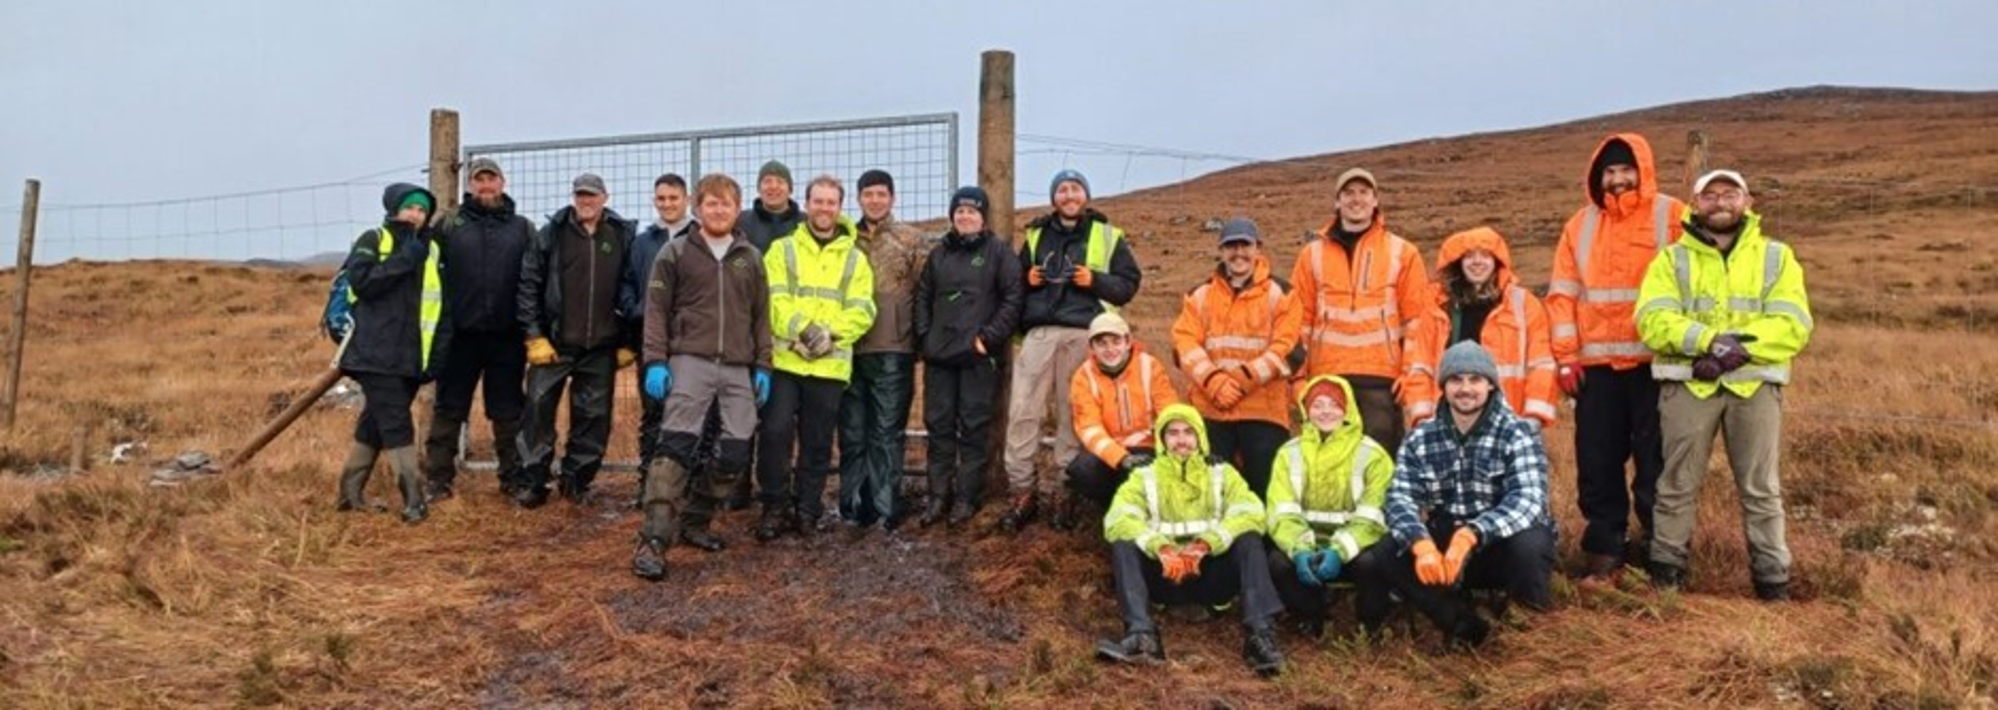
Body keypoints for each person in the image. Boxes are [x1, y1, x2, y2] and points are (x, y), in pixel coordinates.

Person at [1637, 169, 1813, 601]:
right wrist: (1707, 342)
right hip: (1688, 387)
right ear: (1695, 204)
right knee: (1676, 485)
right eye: (1710, 195)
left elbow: (1793, 324)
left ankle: (1773, 582)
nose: (1720, 202)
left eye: (1730, 194)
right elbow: (1652, 320)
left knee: (1761, 489)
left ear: (1747, 202)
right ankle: (1667, 577)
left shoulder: (1777, 257)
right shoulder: (1671, 260)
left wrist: (1736, 351)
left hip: (1754, 389)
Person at [1545, 133, 1687, 578]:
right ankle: (1605, 550)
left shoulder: (1673, 215)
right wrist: (1566, 358)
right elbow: (1562, 295)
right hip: (1596, 370)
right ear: (1597, 175)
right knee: (1597, 462)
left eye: (1626, 169)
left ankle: (1662, 552)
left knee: (1657, 463)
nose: (1618, 178)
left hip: (1655, 365)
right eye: (1610, 170)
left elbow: (1693, 281)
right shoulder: (1579, 225)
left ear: (1643, 171)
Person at [631, 174, 773, 580]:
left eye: (726, 203)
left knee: (736, 449)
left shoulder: (751, 258)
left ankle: (695, 519)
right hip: (689, 359)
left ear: (737, 208)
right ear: (698, 207)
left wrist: (764, 366)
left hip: (737, 365)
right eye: (711, 203)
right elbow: (656, 311)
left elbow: (762, 317)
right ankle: (654, 539)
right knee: (675, 446)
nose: (719, 210)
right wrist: (655, 360)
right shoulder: (675, 253)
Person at [1383, 341, 1557, 648]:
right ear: (1443, 386)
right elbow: (1399, 497)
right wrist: (1420, 543)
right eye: (1456, 380)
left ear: (1490, 385)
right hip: (1446, 540)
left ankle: (1529, 634)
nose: (1465, 389)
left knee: (1531, 543)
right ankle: (1461, 624)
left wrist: (1472, 534)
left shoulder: (1518, 432)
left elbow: (1529, 501)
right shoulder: (1420, 437)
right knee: (1385, 550)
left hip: (1497, 544)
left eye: (1475, 379)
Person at [1096, 404, 1285, 677]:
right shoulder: (1143, 476)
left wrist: (1204, 545)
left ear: (1200, 437)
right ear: (1161, 439)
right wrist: (1161, 548)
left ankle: (1260, 637)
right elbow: (1118, 518)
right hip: (1165, 576)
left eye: (1188, 432)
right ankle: (1142, 636)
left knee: (1248, 539)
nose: (1181, 439)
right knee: (1124, 541)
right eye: (1172, 433)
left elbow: (1251, 512)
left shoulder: (1222, 472)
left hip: (1211, 576)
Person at [1001, 169, 1142, 533]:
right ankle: (1022, 490)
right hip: (1040, 332)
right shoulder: (1036, 235)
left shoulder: (1108, 236)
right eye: (1062, 190)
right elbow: (1012, 285)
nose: (1068, 195)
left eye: (1075, 188)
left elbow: (1128, 285)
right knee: (1022, 410)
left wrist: (1094, 280)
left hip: (1084, 332)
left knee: (1073, 414)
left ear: (1086, 195)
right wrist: (1026, 279)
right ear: (1054, 198)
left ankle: (1066, 491)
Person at [755, 175, 876, 541]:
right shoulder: (782, 250)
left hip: (829, 366)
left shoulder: (855, 259)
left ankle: (807, 509)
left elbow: (863, 309)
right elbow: (773, 299)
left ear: (840, 207)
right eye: (818, 201)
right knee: (775, 434)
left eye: (831, 202)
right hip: (786, 361)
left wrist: (828, 335)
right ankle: (774, 507)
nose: (824, 208)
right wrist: (804, 330)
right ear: (806, 204)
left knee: (818, 441)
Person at [514, 173, 638, 508]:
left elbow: (631, 287)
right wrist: (534, 335)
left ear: (605, 198)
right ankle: (533, 482)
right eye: (581, 195)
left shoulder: (622, 235)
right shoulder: (552, 234)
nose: (586, 201)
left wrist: (628, 341)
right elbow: (529, 284)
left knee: (593, 418)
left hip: (601, 347)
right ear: (573, 197)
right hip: (555, 344)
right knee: (537, 411)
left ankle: (576, 482)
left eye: (592, 195)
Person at [1289, 168, 1430, 456]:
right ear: (1337, 202)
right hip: (1327, 379)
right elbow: (1297, 322)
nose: (1357, 199)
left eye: (1364, 192)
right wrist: (1299, 378)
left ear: (1375, 200)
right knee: (1328, 463)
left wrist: (1409, 372)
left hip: (1381, 381)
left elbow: (1416, 321)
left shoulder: (1403, 252)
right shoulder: (1311, 255)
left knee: (1378, 463)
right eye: (1349, 193)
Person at [335, 182, 450, 524]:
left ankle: (349, 495)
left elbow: (441, 305)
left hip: (412, 357)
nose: (415, 214)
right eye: (409, 207)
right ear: (394, 208)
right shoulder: (374, 240)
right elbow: (363, 283)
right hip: (374, 354)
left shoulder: (432, 249)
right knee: (397, 423)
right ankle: (414, 499)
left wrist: (436, 356)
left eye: (422, 209)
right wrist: (405, 259)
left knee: (375, 422)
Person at [420, 157, 531, 501]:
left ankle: (513, 478)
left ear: (502, 182)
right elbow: (428, 273)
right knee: (449, 408)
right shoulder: (449, 225)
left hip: (507, 337)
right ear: (469, 185)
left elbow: (535, 279)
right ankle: (438, 480)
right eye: (479, 180)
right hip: (459, 336)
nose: (485, 185)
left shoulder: (522, 228)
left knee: (508, 410)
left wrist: (532, 328)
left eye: (491, 179)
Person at [1171, 217, 1303, 499]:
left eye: (1245, 245)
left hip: (1264, 411)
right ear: (1221, 251)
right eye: (1231, 246)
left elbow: (1289, 350)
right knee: (1208, 491)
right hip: (1210, 409)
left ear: (1258, 249)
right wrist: (1213, 381)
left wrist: (1242, 381)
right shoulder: (1198, 295)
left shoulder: (1283, 294)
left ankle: (1266, 530)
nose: (1238, 253)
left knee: (1266, 488)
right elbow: (1183, 345)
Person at [914, 186, 1022, 528]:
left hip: (977, 357)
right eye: (959, 211)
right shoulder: (938, 255)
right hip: (940, 357)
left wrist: (987, 339)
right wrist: (925, 337)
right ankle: (937, 496)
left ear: (982, 217)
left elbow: (1013, 298)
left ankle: (966, 498)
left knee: (974, 428)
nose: (965, 216)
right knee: (939, 426)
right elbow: (923, 297)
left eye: (972, 212)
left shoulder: (999, 253)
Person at [1263, 375, 1395, 639]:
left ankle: (1372, 622)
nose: (1326, 412)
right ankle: (1312, 615)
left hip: (1355, 546)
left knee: (1372, 562)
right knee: (1278, 563)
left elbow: (1374, 514)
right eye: (1317, 405)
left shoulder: (1373, 454)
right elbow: (1281, 511)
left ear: (1348, 409)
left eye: (1334, 404)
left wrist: (1339, 550)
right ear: (1306, 410)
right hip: (1308, 546)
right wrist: (1300, 549)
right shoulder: (1289, 453)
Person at [837, 169, 930, 533]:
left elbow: (924, 292)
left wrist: (918, 339)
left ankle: (886, 505)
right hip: (849, 348)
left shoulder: (911, 240)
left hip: (894, 347)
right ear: (858, 198)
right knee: (853, 430)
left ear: (892, 198)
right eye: (868, 194)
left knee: (886, 430)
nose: (874, 200)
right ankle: (854, 505)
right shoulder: (846, 239)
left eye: (881, 194)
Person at [1401, 227, 1558, 432]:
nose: (1477, 261)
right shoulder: (1436, 308)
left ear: (1497, 261)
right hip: (1448, 425)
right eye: (1469, 256)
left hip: (1510, 424)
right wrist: (1423, 419)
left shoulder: (1524, 304)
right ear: (1458, 262)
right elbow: (1420, 369)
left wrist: (1533, 418)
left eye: (1485, 255)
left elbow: (1541, 366)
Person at [725, 160, 804, 510]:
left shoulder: (803, 225)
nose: (773, 187)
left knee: (777, 422)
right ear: (758, 187)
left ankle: (775, 487)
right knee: (738, 412)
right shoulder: (741, 223)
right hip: (743, 330)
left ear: (790, 187)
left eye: (779, 181)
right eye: (767, 181)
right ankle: (735, 486)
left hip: (788, 336)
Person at [621, 173, 702, 508]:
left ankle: (688, 485)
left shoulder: (700, 238)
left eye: (673, 198)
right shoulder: (642, 242)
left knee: (691, 415)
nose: (667, 204)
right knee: (653, 414)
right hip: (651, 342)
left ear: (687, 200)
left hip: (691, 343)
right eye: (661, 198)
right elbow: (626, 282)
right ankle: (649, 485)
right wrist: (635, 308)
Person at [1064, 312, 1177, 522]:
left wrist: (1172, 450)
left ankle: (1148, 510)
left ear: (1128, 342)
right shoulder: (1083, 377)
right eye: (1102, 343)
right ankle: (1112, 508)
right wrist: (1121, 458)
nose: (1110, 349)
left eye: (1116, 341)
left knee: (1152, 477)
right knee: (1082, 471)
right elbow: (1089, 428)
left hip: (1149, 446)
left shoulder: (1149, 366)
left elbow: (1170, 412)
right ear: (1091, 348)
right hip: (1110, 451)